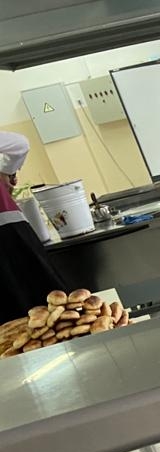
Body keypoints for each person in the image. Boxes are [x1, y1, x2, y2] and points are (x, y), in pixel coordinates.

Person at [0, 131, 64, 323]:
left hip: (10, 232)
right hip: (11, 236)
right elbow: (19, 144)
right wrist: (6, 170)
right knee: (48, 312)